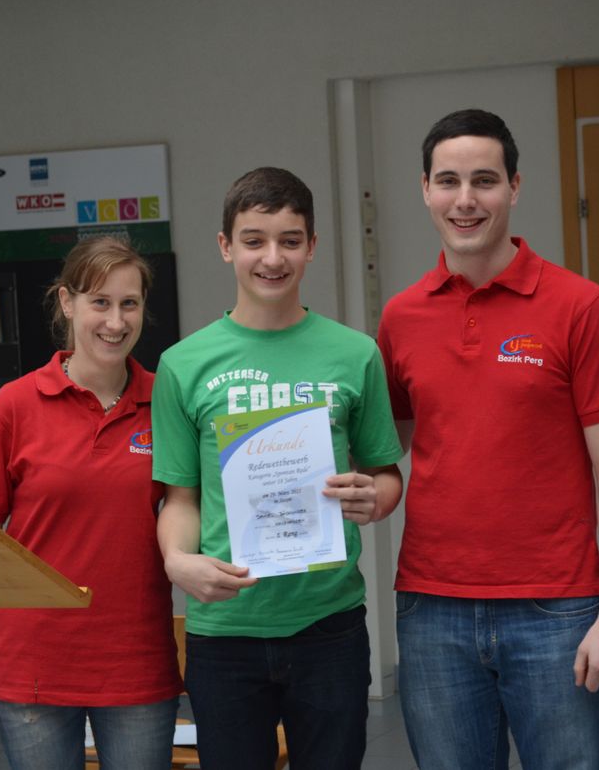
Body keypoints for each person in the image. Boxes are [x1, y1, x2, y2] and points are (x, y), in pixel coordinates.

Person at [376, 108, 599, 769]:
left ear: (515, 187)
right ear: (425, 189)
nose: (465, 199)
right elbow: (386, 446)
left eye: (484, 180)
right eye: (448, 181)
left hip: (555, 607)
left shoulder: (579, 306)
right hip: (433, 607)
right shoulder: (401, 316)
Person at [152, 167, 403, 769]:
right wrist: (177, 561)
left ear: (311, 246)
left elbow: (386, 474)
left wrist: (377, 498)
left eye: (290, 240)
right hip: (225, 628)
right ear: (225, 246)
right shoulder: (183, 364)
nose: (272, 258)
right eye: (254, 240)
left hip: (328, 624)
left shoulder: (356, 354)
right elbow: (181, 498)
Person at [0, 236, 181, 769]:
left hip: (136, 665)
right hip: (32, 669)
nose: (115, 322)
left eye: (129, 303)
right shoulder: (15, 405)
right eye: (100, 302)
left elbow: (190, 510)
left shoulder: (167, 401)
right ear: (67, 302)